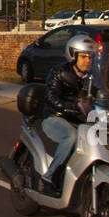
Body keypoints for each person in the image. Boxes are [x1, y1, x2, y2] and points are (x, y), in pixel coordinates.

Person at [41, 34, 100, 187]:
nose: (88, 60)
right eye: (84, 57)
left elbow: (104, 94)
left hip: (81, 119)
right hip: (56, 117)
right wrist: (70, 107)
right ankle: (50, 176)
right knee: (71, 136)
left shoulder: (93, 76)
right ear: (73, 56)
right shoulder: (59, 72)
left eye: (90, 57)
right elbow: (51, 97)